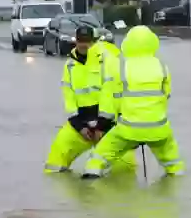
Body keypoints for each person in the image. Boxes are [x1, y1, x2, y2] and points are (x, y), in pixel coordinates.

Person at [83, 25, 184, 179]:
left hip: (128, 128)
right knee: (173, 161)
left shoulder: (121, 67)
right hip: (158, 127)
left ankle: (90, 182)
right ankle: (176, 178)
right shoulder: (162, 66)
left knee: (99, 156)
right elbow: (166, 95)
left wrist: (101, 125)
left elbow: (112, 100)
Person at [43, 25, 130, 173]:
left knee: (124, 170)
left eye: (88, 41)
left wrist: (101, 126)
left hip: (107, 124)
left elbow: (110, 93)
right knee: (54, 164)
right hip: (81, 123)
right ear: (75, 41)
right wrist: (79, 126)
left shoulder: (107, 61)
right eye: (80, 40)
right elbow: (68, 96)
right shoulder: (70, 65)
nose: (84, 44)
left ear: (94, 42)